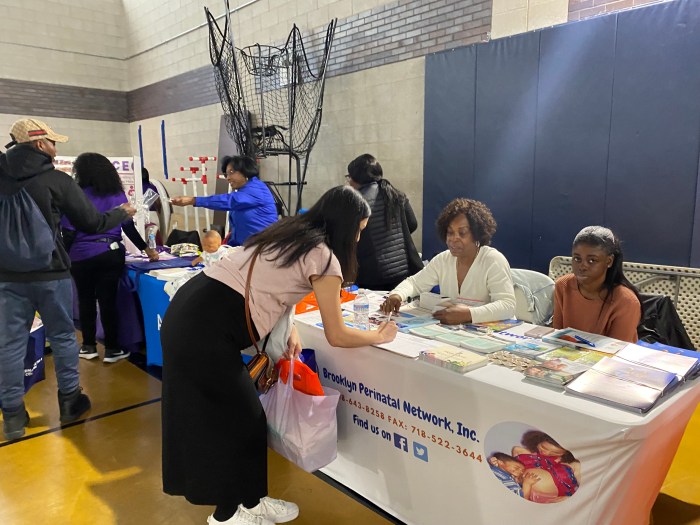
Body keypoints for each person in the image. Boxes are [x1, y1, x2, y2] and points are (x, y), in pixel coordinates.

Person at [160, 186, 398, 525]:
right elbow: (338, 334)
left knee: (245, 419)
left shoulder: (288, 234)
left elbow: (274, 286)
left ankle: (252, 502)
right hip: (207, 329)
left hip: (192, 308)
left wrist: (290, 330)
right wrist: (380, 334)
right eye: (359, 230)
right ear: (348, 227)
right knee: (232, 421)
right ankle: (226, 516)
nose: (358, 239)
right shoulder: (324, 256)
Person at [0, 118, 135, 440]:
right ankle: (71, 400)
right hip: (51, 273)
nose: (56, 148)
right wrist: (122, 213)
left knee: (9, 342)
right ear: (38, 144)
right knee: (62, 337)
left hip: (6, 276)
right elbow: (91, 222)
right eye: (52, 142)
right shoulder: (55, 181)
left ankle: (13, 413)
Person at [61, 153, 159, 363]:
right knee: (108, 301)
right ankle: (113, 349)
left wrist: (65, 256)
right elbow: (127, 226)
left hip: (80, 255)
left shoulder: (74, 194)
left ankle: (88, 346)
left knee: (85, 300)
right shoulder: (116, 194)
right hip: (110, 253)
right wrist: (147, 249)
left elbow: (67, 230)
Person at [381, 198, 516, 324]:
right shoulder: (443, 259)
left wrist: (469, 314)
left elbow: (507, 305)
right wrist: (397, 295)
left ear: (477, 234)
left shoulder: (493, 260)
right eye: (450, 233)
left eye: (462, 233)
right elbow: (415, 283)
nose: (453, 239)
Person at [345, 153, 422, 290]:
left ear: (357, 179)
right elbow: (413, 224)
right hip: (403, 274)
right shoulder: (396, 194)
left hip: (372, 278)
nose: (349, 181)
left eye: (349, 177)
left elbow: (349, 239)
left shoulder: (354, 202)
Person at [553, 226, 641, 343]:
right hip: (566, 357)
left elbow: (616, 351)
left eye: (592, 260)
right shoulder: (563, 285)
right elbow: (557, 336)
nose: (582, 266)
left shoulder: (626, 301)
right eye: (577, 259)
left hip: (610, 359)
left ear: (609, 261)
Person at [170, 155, 278, 246]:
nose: (228, 178)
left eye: (231, 172)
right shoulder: (243, 191)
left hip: (263, 248)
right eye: (226, 174)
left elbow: (229, 201)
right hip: (246, 248)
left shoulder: (256, 188)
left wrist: (192, 200)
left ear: (245, 171)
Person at [511, 430, 580, 503]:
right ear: (538, 441)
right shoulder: (521, 452)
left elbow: (588, 488)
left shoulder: (574, 465)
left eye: (556, 452)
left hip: (553, 497)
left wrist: (569, 498)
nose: (546, 453)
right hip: (527, 493)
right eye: (544, 447)